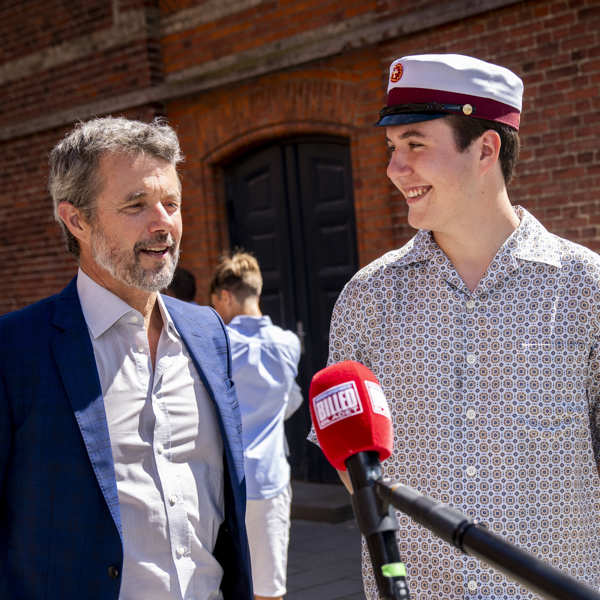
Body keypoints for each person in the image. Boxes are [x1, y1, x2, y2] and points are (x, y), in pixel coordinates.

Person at [316, 54, 600, 598]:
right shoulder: (366, 299)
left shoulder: (585, 289)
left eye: (415, 145)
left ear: (486, 149)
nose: (395, 169)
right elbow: (351, 463)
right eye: (392, 149)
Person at [0, 117, 253, 600]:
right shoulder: (15, 352)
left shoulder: (207, 332)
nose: (164, 223)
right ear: (76, 220)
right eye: (136, 205)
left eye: (172, 203)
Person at [209, 252, 301, 600]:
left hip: (223, 482)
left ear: (225, 296)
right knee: (269, 590)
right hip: (269, 479)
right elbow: (291, 401)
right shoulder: (289, 344)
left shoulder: (219, 345)